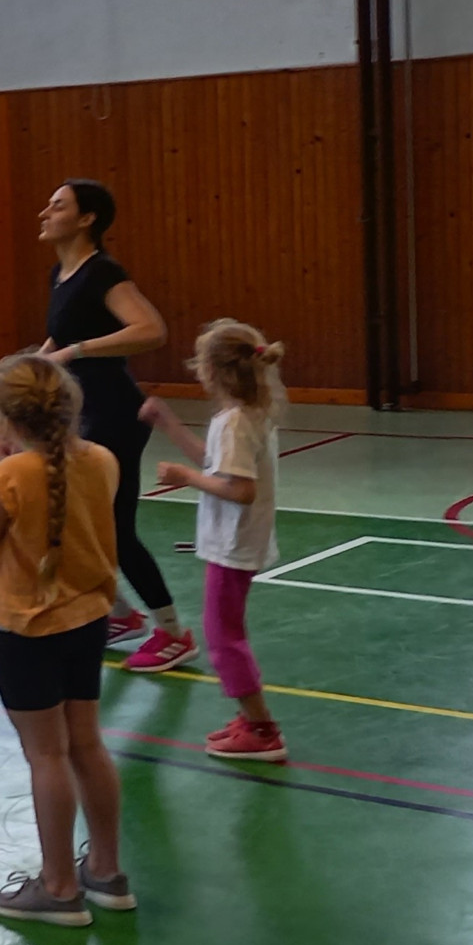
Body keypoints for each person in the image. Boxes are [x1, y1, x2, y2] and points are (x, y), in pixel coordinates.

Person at [0, 352, 131, 928]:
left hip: (26, 628)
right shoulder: (102, 460)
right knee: (87, 744)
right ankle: (106, 871)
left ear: (7, 418)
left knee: (47, 754)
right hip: (88, 620)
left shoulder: (10, 475)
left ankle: (59, 887)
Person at [37, 179, 194, 671]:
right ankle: (120, 615)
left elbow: (150, 329)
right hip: (83, 414)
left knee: (116, 530)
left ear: (87, 219)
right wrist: (32, 366)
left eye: (58, 206)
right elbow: (61, 335)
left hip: (115, 414)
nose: (45, 213)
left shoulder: (103, 272)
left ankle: (174, 634)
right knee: (71, 521)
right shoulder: (60, 274)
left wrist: (76, 352)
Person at [152, 320, 289, 762]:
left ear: (213, 371)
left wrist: (185, 477)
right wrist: (169, 424)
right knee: (226, 632)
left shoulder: (234, 422)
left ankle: (262, 729)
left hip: (233, 544)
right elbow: (218, 466)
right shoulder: (248, 415)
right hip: (238, 541)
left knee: (223, 638)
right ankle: (251, 719)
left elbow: (240, 490)